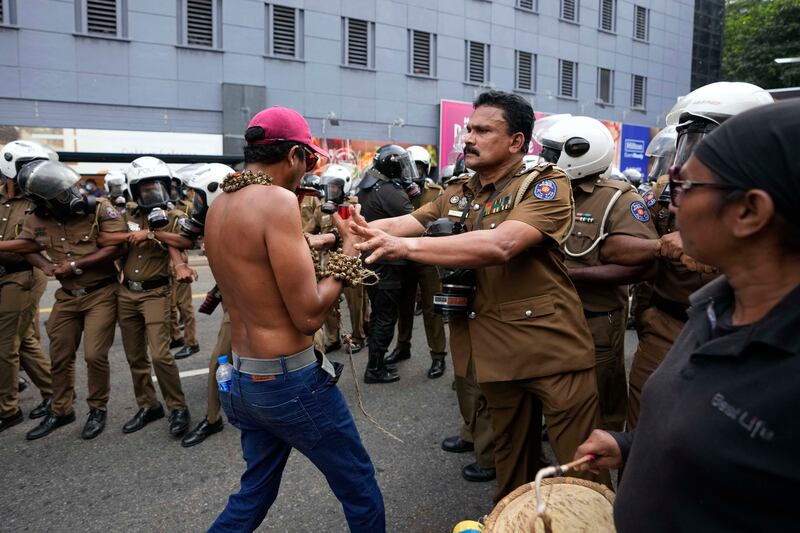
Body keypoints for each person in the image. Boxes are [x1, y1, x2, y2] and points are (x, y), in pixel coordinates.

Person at [351, 90, 605, 502]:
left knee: (580, 466)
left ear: (516, 142)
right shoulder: (462, 189)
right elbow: (412, 221)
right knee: (512, 464)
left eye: (483, 130)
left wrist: (406, 248)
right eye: (468, 128)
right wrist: (352, 233)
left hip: (550, 347)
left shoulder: (543, 185)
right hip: (496, 350)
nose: (468, 137)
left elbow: (501, 245)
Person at [576, 98, 800, 531]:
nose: (672, 205)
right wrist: (629, 444)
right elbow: (715, 435)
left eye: (684, 187)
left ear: (750, 211)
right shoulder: (713, 308)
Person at [204, 106, 385, 532]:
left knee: (254, 493)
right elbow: (307, 315)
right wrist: (348, 254)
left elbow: (261, 257)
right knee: (359, 487)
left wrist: (326, 239)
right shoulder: (279, 200)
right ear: (293, 156)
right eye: (310, 160)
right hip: (289, 383)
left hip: (242, 379)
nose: (308, 171)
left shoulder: (220, 204)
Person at [601, 82, 775, 429]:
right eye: (690, 142)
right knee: (646, 428)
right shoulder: (667, 191)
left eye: (707, 143)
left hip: (759, 338)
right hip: (669, 326)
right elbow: (612, 248)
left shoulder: (784, 196)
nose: (693, 159)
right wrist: (664, 245)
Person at [539, 116, 658, 431]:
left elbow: (643, 263)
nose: (545, 161)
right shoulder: (546, 192)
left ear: (580, 153)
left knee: (600, 394)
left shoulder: (619, 199)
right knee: (555, 384)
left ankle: (599, 455)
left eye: (553, 154)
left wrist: (574, 276)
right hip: (548, 312)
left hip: (595, 316)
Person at [0, 160, 126, 440]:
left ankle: (97, 409)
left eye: (65, 189)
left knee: (94, 355)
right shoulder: (36, 217)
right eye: (57, 194)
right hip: (67, 298)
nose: (67, 196)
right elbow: (28, 246)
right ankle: (61, 410)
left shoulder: (99, 206)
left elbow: (117, 246)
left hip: (100, 293)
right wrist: (44, 265)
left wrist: (77, 265)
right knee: (59, 357)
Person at [98, 159, 193, 437]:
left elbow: (185, 242)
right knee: (135, 356)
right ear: (135, 189)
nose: (154, 193)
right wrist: (131, 235)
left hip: (156, 292)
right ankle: (148, 405)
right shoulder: (124, 212)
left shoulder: (173, 216)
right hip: (127, 292)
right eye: (148, 188)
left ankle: (178, 408)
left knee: (161, 354)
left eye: (159, 187)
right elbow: (104, 239)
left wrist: (151, 233)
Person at [175, 162, 235, 448]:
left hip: (255, 307)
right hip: (235, 303)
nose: (194, 204)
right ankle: (214, 418)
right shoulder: (215, 222)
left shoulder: (241, 224)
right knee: (221, 362)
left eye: (199, 197)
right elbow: (182, 239)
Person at [0, 141, 55, 432]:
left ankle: (7, 409)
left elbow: (31, 243)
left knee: (6, 343)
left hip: (24, 274)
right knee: (25, 341)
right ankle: (55, 393)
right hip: (4, 274)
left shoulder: (38, 202)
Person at [356, 144, 418, 384]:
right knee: (385, 317)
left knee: (379, 313)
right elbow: (415, 219)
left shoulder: (369, 185)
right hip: (388, 264)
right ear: (392, 165)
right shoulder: (390, 191)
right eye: (401, 165)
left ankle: (376, 362)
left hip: (373, 261)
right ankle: (375, 369)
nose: (404, 170)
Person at [386, 145, 449, 379]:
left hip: (430, 256)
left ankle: (438, 355)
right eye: (407, 168)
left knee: (433, 308)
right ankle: (402, 347)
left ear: (425, 168)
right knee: (404, 305)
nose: (411, 172)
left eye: (417, 167)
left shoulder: (435, 191)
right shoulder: (394, 190)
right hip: (404, 255)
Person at [307, 165, 366, 354]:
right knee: (328, 303)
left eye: (335, 187)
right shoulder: (320, 208)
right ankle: (332, 339)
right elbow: (308, 231)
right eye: (328, 187)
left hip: (351, 258)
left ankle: (358, 336)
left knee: (355, 301)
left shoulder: (355, 205)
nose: (331, 190)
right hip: (329, 263)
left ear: (344, 187)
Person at [169, 165, 199, 360]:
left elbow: (190, 237)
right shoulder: (158, 208)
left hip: (179, 259)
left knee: (184, 306)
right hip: (160, 263)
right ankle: (175, 336)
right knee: (170, 305)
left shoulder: (185, 207)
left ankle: (192, 342)